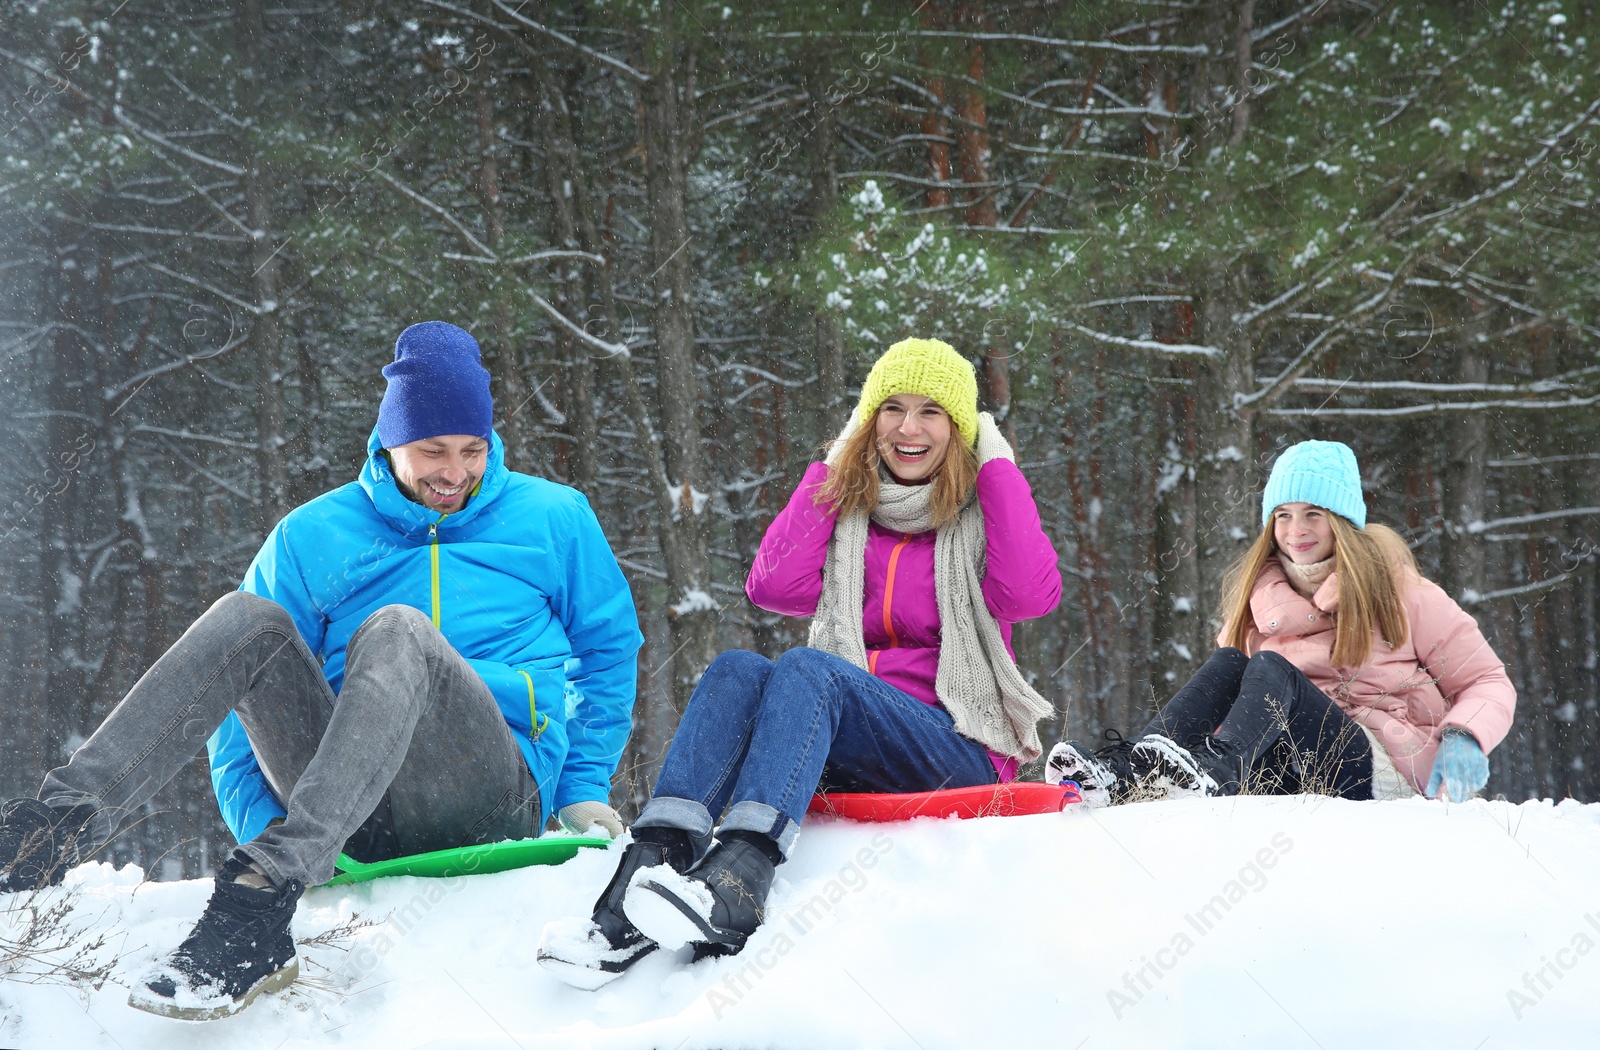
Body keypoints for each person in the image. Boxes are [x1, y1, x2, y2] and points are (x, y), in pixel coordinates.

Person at [0, 321, 642, 1020]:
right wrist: (257, 817)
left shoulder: (553, 518)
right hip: (344, 800)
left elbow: (608, 653)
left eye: (472, 451)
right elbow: (238, 700)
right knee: (246, 617)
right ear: (390, 442)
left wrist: (581, 787)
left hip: (489, 789)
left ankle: (261, 897)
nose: (454, 473)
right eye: (432, 450)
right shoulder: (314, 535)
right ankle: (50, 830)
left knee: (398, 629)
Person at [538, 336, 1062, 988]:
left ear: (959, 430)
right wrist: (835, 465)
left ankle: (738, 881)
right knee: (736, 668)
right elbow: (772, 587)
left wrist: (999, 469)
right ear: (868, 424)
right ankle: (642, 882)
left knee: (809, 668)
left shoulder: (983, 513)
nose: (908, 427)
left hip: (956, 743)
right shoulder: (852, 510)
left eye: (932, 412)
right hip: (855, 731)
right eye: (891, 408)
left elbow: (1030, 594)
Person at [1046, 439, 1516, 807]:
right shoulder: (1258, 600)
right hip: (1281, 765)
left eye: (1314, 514)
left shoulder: (1402, 592)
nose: (1297, 530)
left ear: (1343, 522)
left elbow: (1487, 680)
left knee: (1270, 666)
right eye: (1283, 516)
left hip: (1380, 768)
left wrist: (1464, 735)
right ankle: (1128, 775)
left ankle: (1212, 775)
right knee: (1232, 661)